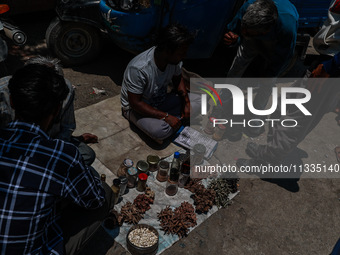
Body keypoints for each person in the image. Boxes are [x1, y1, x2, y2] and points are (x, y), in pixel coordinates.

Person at [0, 63, 114, 254]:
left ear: (11, 101)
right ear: (58, 109)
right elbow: (95, 200)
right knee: (104, 192)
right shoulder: (62, 154)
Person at [236, 52, 340, 168]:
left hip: (329, 72)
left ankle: (267, 161)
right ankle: (271, 149)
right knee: (283, 108)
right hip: (325, 64)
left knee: (293, 123)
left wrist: (332, 65)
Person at [0, 56, 98, 165]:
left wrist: (54, 148)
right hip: (13, 146)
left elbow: (67, 127)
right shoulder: (3, 90)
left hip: (49, 143)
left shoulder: (64, 91)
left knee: (87, 154)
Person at [120, 24, 201, 143]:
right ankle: (175, 120)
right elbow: (135, 103)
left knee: (199, 101)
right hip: (136, 109)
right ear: (167, 51)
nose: (184, 56)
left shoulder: (174, 61)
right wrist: (166, 117)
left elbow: (178, 79)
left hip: (159, 101)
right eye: (181, 53)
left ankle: (176, 120)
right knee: (160, 131)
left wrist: (187, 103)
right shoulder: (139, 68)